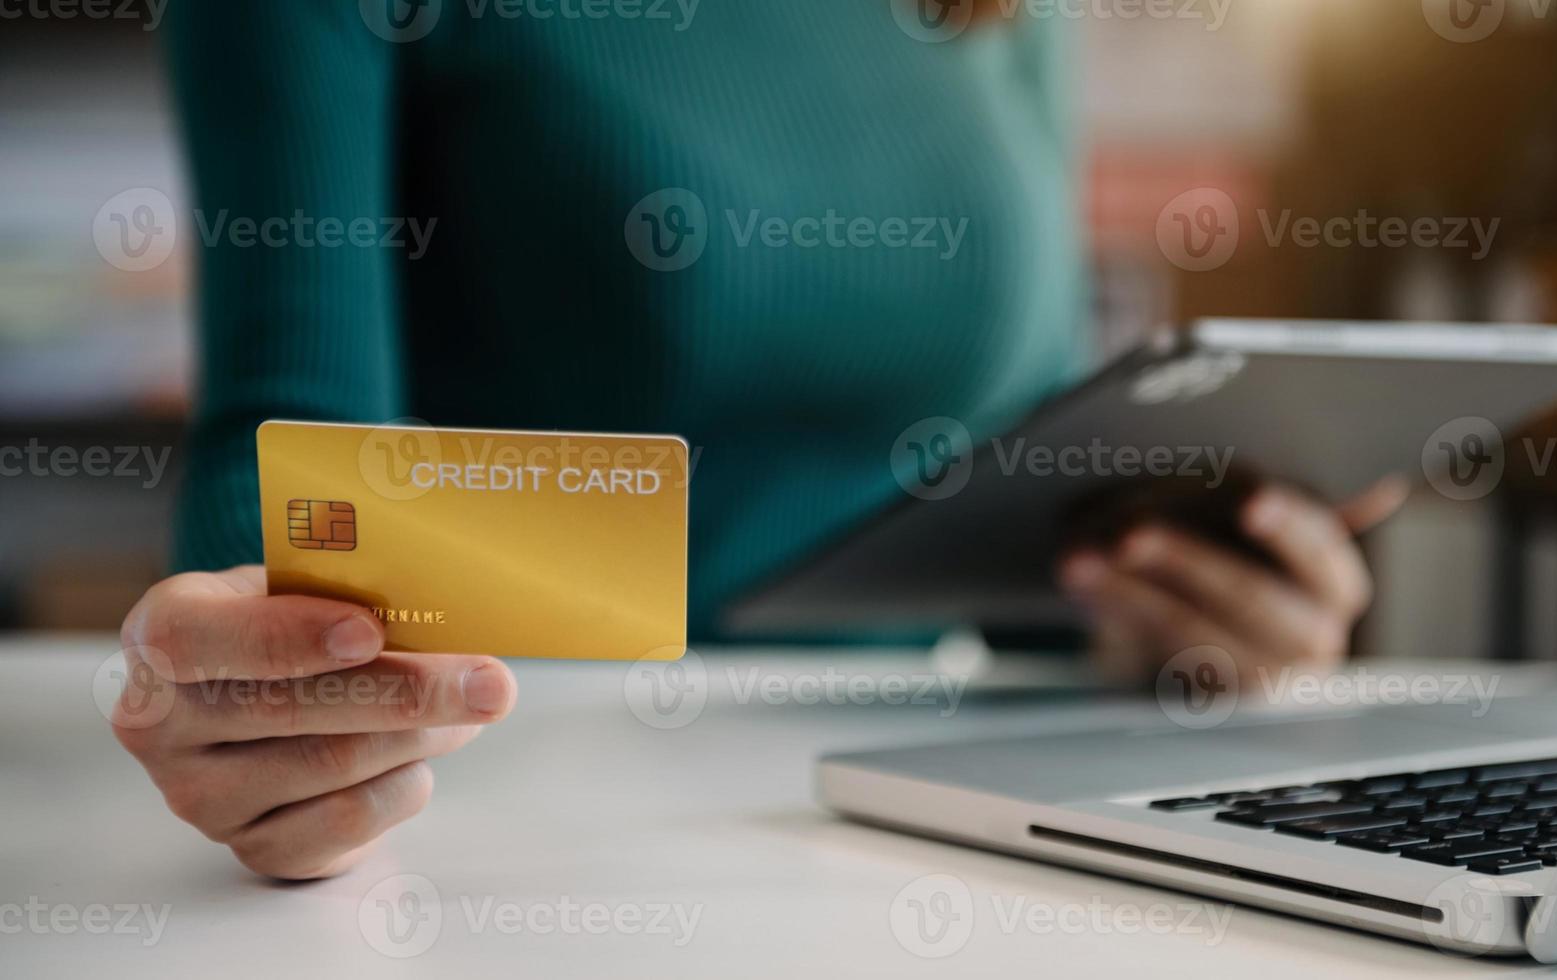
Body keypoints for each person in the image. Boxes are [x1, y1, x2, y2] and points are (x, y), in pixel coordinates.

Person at [111, 1, 1404, 880]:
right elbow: (283, 453)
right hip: (501, 822)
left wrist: (1162, 619)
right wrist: (258, 679)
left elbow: (1028, 475)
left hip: (926, 820)